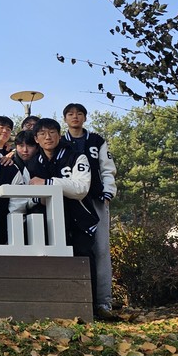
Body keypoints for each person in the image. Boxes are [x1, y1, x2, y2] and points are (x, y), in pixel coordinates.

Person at [26, 118, 101, 315]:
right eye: (42, 134)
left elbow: (81, 188)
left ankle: (90, 307)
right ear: (36, 138)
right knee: (51, 260)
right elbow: (29, 194)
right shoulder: (32, 163)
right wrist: (43, 194)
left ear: (59, 135)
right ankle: (58, 308)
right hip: (49, 220)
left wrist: (48, 184)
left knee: (83, 256)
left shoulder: (77, 157)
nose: (48, 137)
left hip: (79, 218)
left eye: (52, 132)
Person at [62, 102, 118, 319]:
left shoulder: (96, 140)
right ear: (65, 118)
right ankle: (76, 301)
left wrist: (108, 192)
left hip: (95, 198)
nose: (75, 117)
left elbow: (107, 169)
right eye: (70, 114)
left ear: (85, 117)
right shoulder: (60, 141)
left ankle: (104, 302)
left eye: (79, 114)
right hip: (70, 200)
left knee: (101, 249)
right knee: (72, 247)